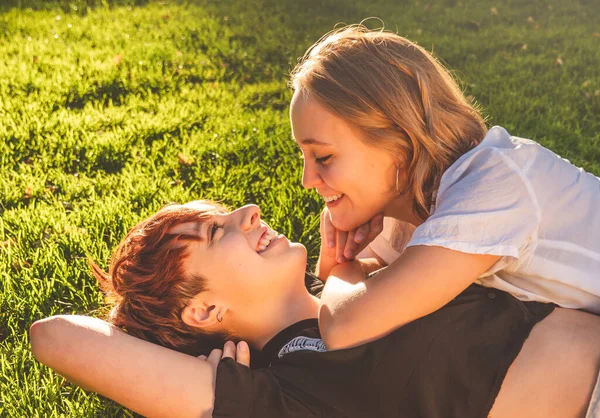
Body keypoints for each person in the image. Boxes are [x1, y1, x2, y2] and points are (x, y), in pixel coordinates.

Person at [30, 201, 600, 418]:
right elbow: (55, 337)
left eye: (227, 212)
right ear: (204, 311)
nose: (249, 212)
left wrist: (347, 273)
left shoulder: (376, 272)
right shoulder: (279, 388)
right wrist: (211, 381)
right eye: (215, 232)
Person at [289, 25, 600, 350]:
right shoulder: (397, 202)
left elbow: (345, 326)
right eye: (304, 155)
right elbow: (335, 299)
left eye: (323, 157)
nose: (307, 180)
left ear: (399, 143)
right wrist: (338, 261)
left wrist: (345, 267)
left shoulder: (491, 186)